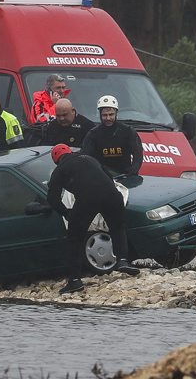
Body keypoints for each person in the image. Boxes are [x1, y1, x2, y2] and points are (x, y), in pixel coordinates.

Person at [47, 144, 140, 294]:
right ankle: (122, 260)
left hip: (88, 198)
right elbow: (109, 177)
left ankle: (75, 281)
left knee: (74, 238)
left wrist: (67, 213)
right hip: (112, 194)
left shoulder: (60, 169)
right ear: (70, 152)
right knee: (117, 227)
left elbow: (52, 198)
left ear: (56, 160)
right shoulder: (90, 159)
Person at [81, 95, 144, 177]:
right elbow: (86, 157)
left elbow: (138, 153)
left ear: (116, 113)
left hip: (125, 176)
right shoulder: (93, 134)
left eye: (111, 114)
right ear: (100, 115)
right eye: (104, 115)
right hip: (101, 177)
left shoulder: (128, 131)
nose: (108, 118)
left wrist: (132, 172)